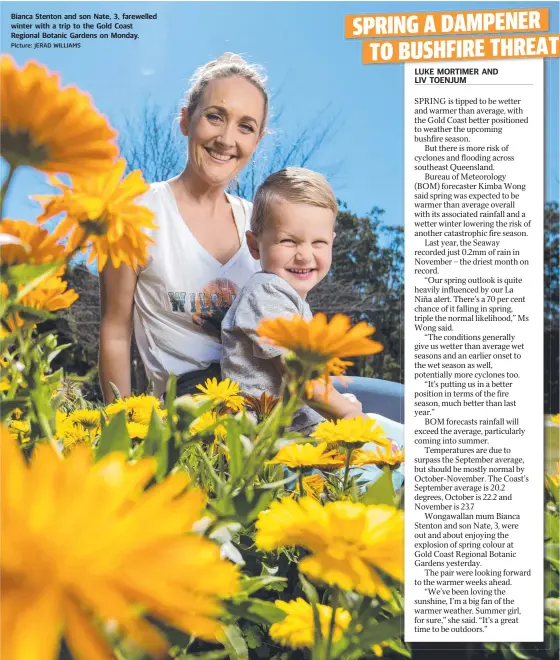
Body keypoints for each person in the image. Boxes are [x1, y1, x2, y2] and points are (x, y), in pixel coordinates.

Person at [99, 53, 269, 402]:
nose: (226, 138)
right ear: (185, 121)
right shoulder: (133, 211)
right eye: (214, 117)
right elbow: (115, 331)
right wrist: (124, 430)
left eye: (245, 126)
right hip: (180, 425)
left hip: (260, 419)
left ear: (257, 141)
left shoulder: (261, 226)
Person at [221, 167, 365, 433]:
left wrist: (340, 403)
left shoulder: (289, 300)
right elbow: (300, 376)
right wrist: (345, 412)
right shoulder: (265, 292)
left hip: (293, 426)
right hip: (265, 438)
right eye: (289, 241)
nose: (304, 255)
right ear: (254, 245)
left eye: (318, 243)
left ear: (332, 243)